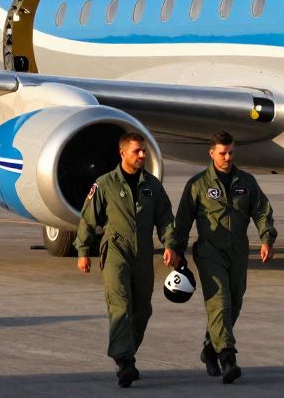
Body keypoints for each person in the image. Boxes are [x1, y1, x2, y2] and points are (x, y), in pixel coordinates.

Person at [170, 130, 276, 384]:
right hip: (209, 251)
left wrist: (266, 238)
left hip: (238, 251)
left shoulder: (246, 182)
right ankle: (228, 358)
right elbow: (183, 220)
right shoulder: (197, 185)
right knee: (220, 302)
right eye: (222, 153)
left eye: (230, 152)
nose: (227, 157)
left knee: (235, 303)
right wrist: (176, 249)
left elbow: (261, 211)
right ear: (211, 153)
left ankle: (210, 349)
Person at [77, 131, 180, 387]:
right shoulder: (105, 184)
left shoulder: (152, 186)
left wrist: (170, 244)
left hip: (143, 252)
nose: (143, 155)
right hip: (115, 249)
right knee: (121, 305)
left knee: (142, 309)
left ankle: (127, 352)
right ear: (123, 153)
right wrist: (82, 251)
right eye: (137, 151)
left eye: (144, 151)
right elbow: (88, 218)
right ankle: (124, 361)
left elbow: (165, 218)